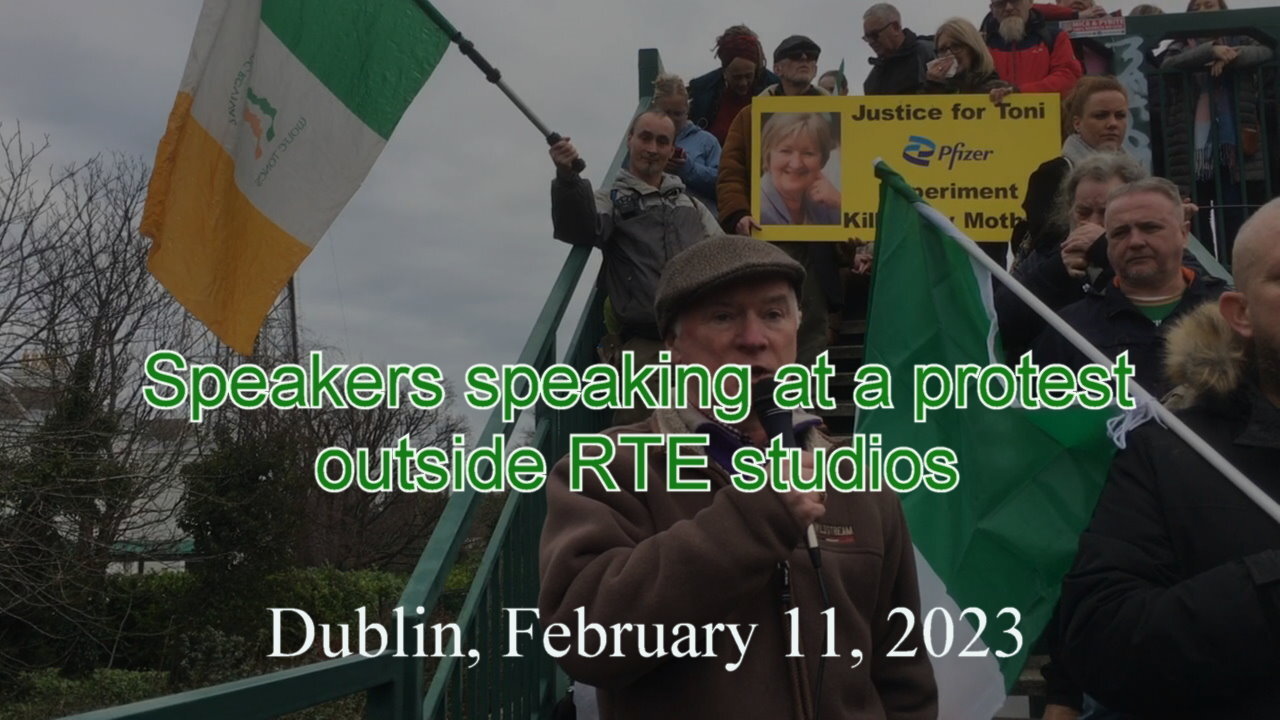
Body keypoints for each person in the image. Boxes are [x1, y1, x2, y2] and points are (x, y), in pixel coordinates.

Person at [537, 234, 939, 720]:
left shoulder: (860, 479)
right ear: (673, 342)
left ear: (797, 327)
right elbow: (583, 640)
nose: (754, 338)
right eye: (723, 316)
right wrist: (755, 519)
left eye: (773, 314)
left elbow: (903, 678)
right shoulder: (609, 467)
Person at [1056, 197, 1280, 717]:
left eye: (1150, 226)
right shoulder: (1173, 453)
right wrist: (1267, 585)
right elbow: (1104, 643)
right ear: (1239, 313)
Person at [549, 109, 721, 424]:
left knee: (708, 457)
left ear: (672, 150)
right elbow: (579, 227)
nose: (652, 149)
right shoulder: (610, 200)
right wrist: (568, 178)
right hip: (644, 352)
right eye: (644, 137)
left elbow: (725, 256)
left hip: (703, 352)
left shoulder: (692, 205)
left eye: (662, 141)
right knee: (636, 455)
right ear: (630, 140)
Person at [1029, 177, 1227, 397]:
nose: (1135, 242)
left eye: (1150, 228)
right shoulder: (1069, 331)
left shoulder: (1233, 318)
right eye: (1120, 233)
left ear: (1184, 233)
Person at [718, 35, 840, 367]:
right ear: (777, 67)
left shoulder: (837, 112)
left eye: (812, 56)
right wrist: (738, 213)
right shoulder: (749, 116)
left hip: (820, 239)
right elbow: (730, 171)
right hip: (768, 236)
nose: (806, 60)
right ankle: (773, 405)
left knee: (813, 321)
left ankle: (809, 407)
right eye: (796, 56)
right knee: (771, 319)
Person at [997, 152, 1147, 363]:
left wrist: (1106, 252)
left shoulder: (1154, 250)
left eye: (1105, 213)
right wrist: (1054, 271)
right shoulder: (1047, 252)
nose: (1092, 223)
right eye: (1083, 212)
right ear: (1069, 211)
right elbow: (1001, 324)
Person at [1159, 0, 1273, 260]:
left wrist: (1231, 56)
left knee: (1234, 212)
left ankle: (1233, 269)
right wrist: (1210, 52)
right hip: (1194, 149)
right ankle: (1209, 272)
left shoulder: (1241, 37)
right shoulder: (1181, 42)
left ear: (1223, 10)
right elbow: (1167, 65)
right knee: (1197, 215)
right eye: (1196, 7)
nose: (1202, 11)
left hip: (1233, 148)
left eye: (1209, 4)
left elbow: (1266, 52)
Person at [1015, 76, 1131, 260]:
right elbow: (1045, 245)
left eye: (1120, 115)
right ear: (1077, 123)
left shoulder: (1134, 175)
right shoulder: (1053, 173)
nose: (1112, 123)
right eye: (1101, 115)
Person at [688, 25, 780, 147]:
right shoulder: (702, 93)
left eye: (748, 76)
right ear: (724, 71)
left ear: (757, 69)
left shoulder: (777, 90)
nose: (743, 83)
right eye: (736, 77)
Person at [981, 0, 1083, 104]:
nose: (1008, 8)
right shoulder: (980, 44)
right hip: (990, 116)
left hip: (1045, 115)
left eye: (1015, 1)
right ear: (992, 9)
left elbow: (1068, 77)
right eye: (1000, 4)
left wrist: (1020, 92)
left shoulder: (1055, 37)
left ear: (1030, 3)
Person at [653, 73, 722, 215]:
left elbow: (723, 184)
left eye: (677, 114)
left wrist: (687, 168)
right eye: (666, 113)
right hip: (656, 221)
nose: (671, 120)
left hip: (701, 223)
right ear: (655, 109)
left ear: (687, 110)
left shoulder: (707, 141)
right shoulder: (644, 141)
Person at [758, 113, 840, 226]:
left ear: (822, 160)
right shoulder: (756, 208)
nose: (796, 164)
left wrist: (841, 203)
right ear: (768, 155)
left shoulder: (825, 203)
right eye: (786, 151)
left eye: (808, 153)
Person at [862, 3, 936, 95]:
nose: (871, 42)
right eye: (867, 38)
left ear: (895, 27)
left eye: (874, 35)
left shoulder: (928, 52)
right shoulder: (871, 81)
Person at [923, 17, 1011, 94]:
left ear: (973, 49)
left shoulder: (994, 87)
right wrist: (933, 87)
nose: (949, 54)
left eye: (956, 46)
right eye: (943, 49)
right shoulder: (933, 87)